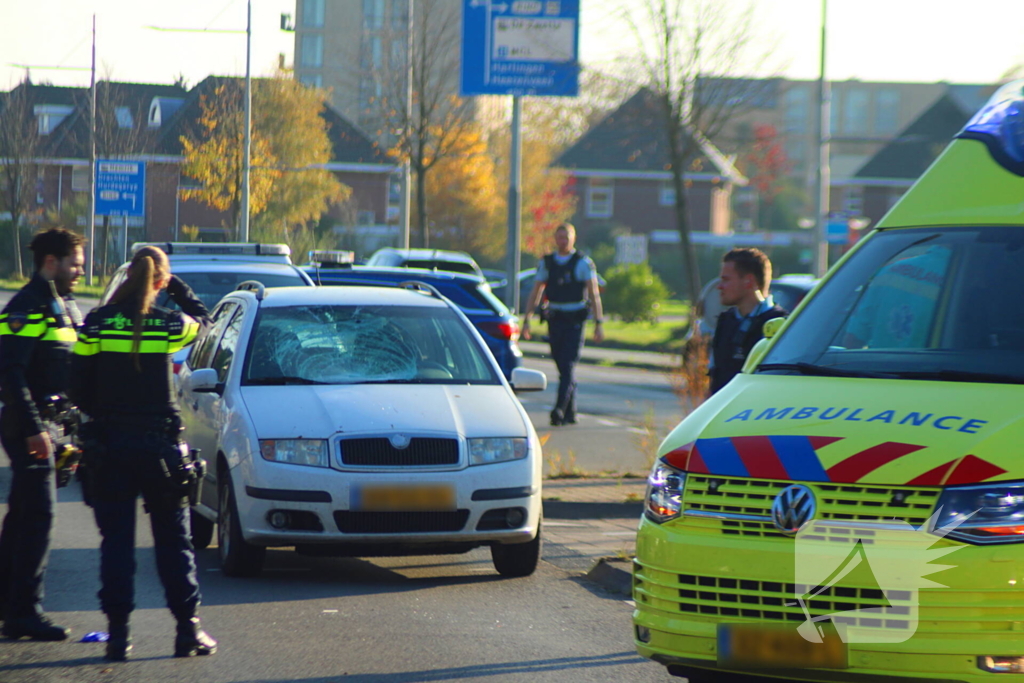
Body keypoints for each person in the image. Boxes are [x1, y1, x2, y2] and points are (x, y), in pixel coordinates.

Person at [70, 246, 216, 662]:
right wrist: (180, 290)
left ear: (127, 276)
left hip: (110, 446)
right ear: (160, 281)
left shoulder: (96, 323)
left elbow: (77, 383)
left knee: (115, 543)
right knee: (174, 542)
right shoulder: (171, 324)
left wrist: (103, 416)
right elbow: (205, 323)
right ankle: (188, 632)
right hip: (160, 449)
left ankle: (118, 638)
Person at [0, 228, 84, 641]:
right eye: (75, 265)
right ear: (51, 262)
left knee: (21, 517)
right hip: (30, 428)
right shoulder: (26, 305)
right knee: (40, 517)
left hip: (53, 426)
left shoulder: (64, 305)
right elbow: (9, 372)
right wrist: (35, 429)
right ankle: (24, 613)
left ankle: (8, 605)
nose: (80, 273)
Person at [521, 223, 605, 426]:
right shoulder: (547, 263)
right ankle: (571, 412)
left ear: (573, 239)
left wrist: (598, 322)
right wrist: (527, 320)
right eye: (559, 237)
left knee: (568, 365)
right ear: (555, 239)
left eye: (566, 237)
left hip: (575, 321)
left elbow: (593, 294)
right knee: (561, 365)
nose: (563, 241)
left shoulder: (583, 263)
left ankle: (559, 409)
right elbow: (536, 292)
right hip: (555, 319)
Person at [708, 248, 786, 396]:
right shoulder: (725, 321)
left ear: (749, 281)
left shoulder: (780, 324)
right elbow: (714, 377)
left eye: (726, 280)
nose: (719, 286)